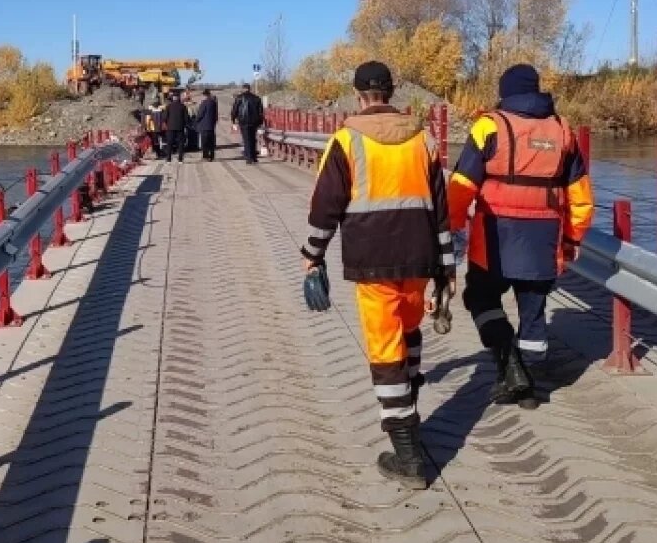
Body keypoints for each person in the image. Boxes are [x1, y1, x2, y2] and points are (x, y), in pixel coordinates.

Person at [301, 61, 456, 489]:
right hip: (420, 259)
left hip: (373, 261)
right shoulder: (423, 139)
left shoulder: (346, 140)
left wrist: (312, 255)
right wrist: (447, 267)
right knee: (409, 334)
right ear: (391, 92)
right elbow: (441, 211)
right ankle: (409, 410)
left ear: (357, 96)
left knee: (386, 350)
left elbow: (325, 206)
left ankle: (407, 456)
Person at [448, 63, 594, 409]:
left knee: (481, 299)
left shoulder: (490, 126)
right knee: (533, 311)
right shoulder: (563, 130)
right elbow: (581, 197)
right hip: (544, 239)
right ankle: (529, 387)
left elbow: (462, 185)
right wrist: (571, 240)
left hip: (494, 239)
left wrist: (450, 227)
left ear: (505, 92)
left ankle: (511, 367)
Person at [230, 83, 264, 164]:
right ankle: (254, 157)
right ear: (249, 89)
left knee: (246, 139)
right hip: (254, 122)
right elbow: (261, 112)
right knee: (253, 139)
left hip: (243, 121)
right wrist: (260, 122)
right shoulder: (257, 98)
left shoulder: (239, 98)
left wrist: (233, 119)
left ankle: (249, 158)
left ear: (243, 88)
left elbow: (235, 109)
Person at [194, 88, 219, 161]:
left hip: (204, 125)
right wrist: (214, 122)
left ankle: (205, 156)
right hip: (211, 125)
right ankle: (212, 156)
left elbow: (200, 114)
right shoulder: (213, 102)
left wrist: (196, 120)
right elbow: (216, 114)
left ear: (204, 95)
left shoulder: (204, 103)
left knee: (204, 141)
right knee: (211, 141)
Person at [163, 92, 188, 163]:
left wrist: (166, 123)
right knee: (181, 143)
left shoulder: (168, 106)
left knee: (169, 143)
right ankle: (180, 159)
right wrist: (185, 125)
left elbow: (164, 117)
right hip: (180, 127)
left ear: (173, 98)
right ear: (179, 98)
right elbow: (186, 118)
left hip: (170, 127)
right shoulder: (183, 106)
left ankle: (168, 159)